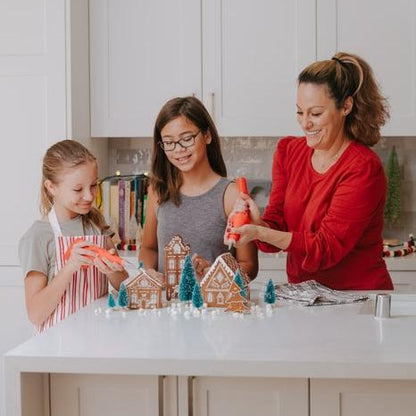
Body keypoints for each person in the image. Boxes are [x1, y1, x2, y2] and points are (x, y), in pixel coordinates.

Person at [225, 52, 393, 290]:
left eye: (315, 114)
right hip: (305, 297)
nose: (305, 123)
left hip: (357, 298)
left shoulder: (363, 168)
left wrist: (259, 232)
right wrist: (258, 222)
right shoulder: (288, 152)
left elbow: (326, 248)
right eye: (299, 112)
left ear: (346, 106)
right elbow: (276, 228)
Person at [140, 96, 258, 281]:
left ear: (207, 135)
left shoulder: (231, 195)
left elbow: (249, 266)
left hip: (212, 307)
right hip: (167, 306)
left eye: (186, 139)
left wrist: (215, 272)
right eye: (169, 142)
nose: (178, 149)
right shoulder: (158, 191)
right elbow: (149, 248)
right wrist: (149, 272)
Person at [18, 140, 128, 332]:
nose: (89, 196)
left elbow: (125, 287)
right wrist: (70, 268)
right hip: (58, 349)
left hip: (99, 338)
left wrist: (111, 270)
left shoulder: (96, 224)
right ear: (51, 187)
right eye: (78, 189)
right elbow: (35, 314)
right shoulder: (38, 236)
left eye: (93, 185)